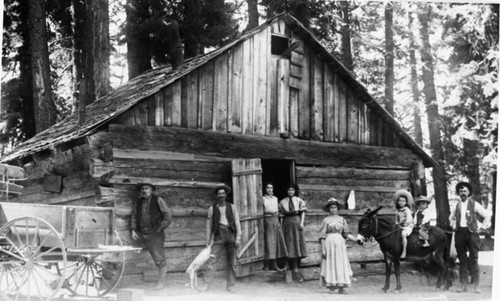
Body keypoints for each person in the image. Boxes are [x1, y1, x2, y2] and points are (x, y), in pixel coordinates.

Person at [449, 182, 491, 293]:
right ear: (459, 193)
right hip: (460, 233)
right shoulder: (456, 205)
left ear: (469, 193)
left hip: (472, 233)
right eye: (461, 191)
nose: (463, 193)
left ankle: (477, 285)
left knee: (474, 259)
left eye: (465, 191)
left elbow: (487, 215)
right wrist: (454, 226)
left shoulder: (474, 204)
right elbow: (451, 218)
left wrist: (481, 227)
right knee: (462, 259)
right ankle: (463, 285)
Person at [130, 183, 172, 290]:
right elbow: (134, 215)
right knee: (128, 249)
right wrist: (133, 229)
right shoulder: (138, 201)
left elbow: (167, 215)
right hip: (140, 232)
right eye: (142, 189)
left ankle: (161, 282)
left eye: (146, 188)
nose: (144, 190)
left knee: (159, 258)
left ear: (151, 190)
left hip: (155, 234)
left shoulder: (158, 199)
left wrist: (160, 228)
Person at [204, 183, 242, 293]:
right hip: (218, 235)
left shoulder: (232, 207)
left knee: (231, 261)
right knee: (212, 260)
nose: (221, 195)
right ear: (216, 195)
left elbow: (237, 222)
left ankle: (230, 286)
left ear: (226, 195)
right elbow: (209, 226)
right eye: (219, 194)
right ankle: (206, 284)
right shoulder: (212, 209)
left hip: (230, 234)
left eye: (223, 193)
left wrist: (238, 237)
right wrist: (208, 241)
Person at [319, 198, 359, 294]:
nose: (333, 209)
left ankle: (341, 287)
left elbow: (345, 233)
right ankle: (332, 287)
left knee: (341, 264)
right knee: (331, 264)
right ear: (329, 209)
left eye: (335, 207)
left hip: (340, 244)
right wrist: (323, 249)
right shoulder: (326, 220)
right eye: (331, 207)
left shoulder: (342, 219)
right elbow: (322, 236)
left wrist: (355, 239)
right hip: (329, 243)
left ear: (337, 209)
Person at [279, 183, 308, 282]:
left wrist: (302, 223)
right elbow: (281, 216)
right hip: (287, 223)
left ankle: (295, 267)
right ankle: (286, 265)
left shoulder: (299, 201)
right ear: (286, 191)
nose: (290, 192)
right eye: (288, 190)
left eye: (292, 190)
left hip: (296, 221)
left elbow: (303, 212)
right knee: (287, 243)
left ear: (294, 191)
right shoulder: (282, 202)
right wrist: (281, 226)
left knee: (295, 244)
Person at [262, 182, 288, 271]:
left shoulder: (275, 199)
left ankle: (275, 263)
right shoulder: (262, 199)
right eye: (268, 188)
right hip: (267, 219)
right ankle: (267, 264)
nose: (270, 189)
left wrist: (278, 221)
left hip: (275, 219)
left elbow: (278, 211)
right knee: (268, 242)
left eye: (271, 188)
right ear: (265, 189)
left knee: (276, 241)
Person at [393, 189, 414, 259]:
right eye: (399, 201)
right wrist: (397, 224)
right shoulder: (398, 211)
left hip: (407, 226)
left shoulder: (407, 210)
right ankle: (396, 249)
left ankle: (404, 251)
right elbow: (396, 220)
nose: (401, 202)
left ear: (406, 202)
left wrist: (405, 223)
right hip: (400, 226)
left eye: (403, 201)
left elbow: (409, 219)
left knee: (403, 234)